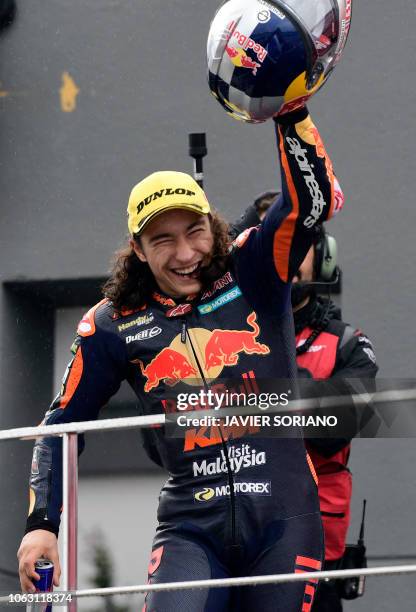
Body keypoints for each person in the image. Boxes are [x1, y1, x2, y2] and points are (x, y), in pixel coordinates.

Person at [17, 107, 342, 611]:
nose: (185, 252)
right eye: (162, 240)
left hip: (285, 521)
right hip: (192, 528)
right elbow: (61, 424)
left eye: (194, 231)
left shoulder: (254, 269)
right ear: (139, 250)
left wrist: (291, 111)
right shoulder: (112, 321)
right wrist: (41, 526)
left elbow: (308, 203)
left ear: (213, 226)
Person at [233, 199, 378, 611]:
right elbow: (166, 439)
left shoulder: (349, 345)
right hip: (230, 547)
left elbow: (332, 432)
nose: (283, 252)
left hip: (315, 559)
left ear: (323, 254)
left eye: (296, 240)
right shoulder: (212, 342)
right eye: (268, 240)